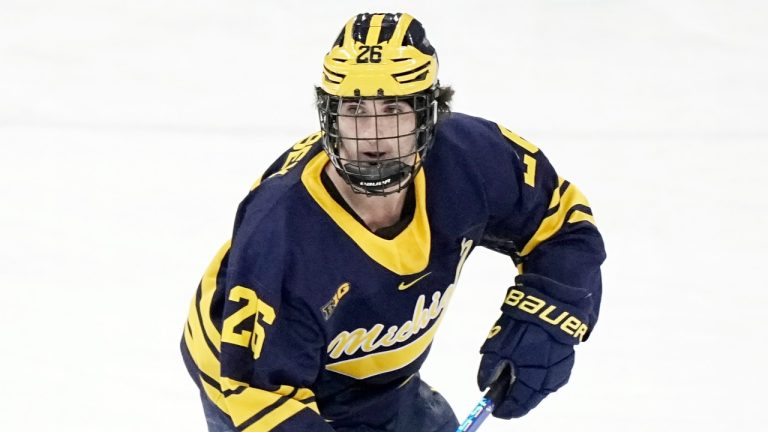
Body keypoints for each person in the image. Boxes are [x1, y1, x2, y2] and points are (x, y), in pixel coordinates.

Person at [181, 12, 606, 432]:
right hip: (254, 385)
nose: (374, 136)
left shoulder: (471, 161)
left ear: (429, 114)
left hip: (385, 383)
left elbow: (562, 225)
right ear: (330, 117)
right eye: (355, 110)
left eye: (394, 108)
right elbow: (258, 393)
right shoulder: (282, 239)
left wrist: (551, 311)